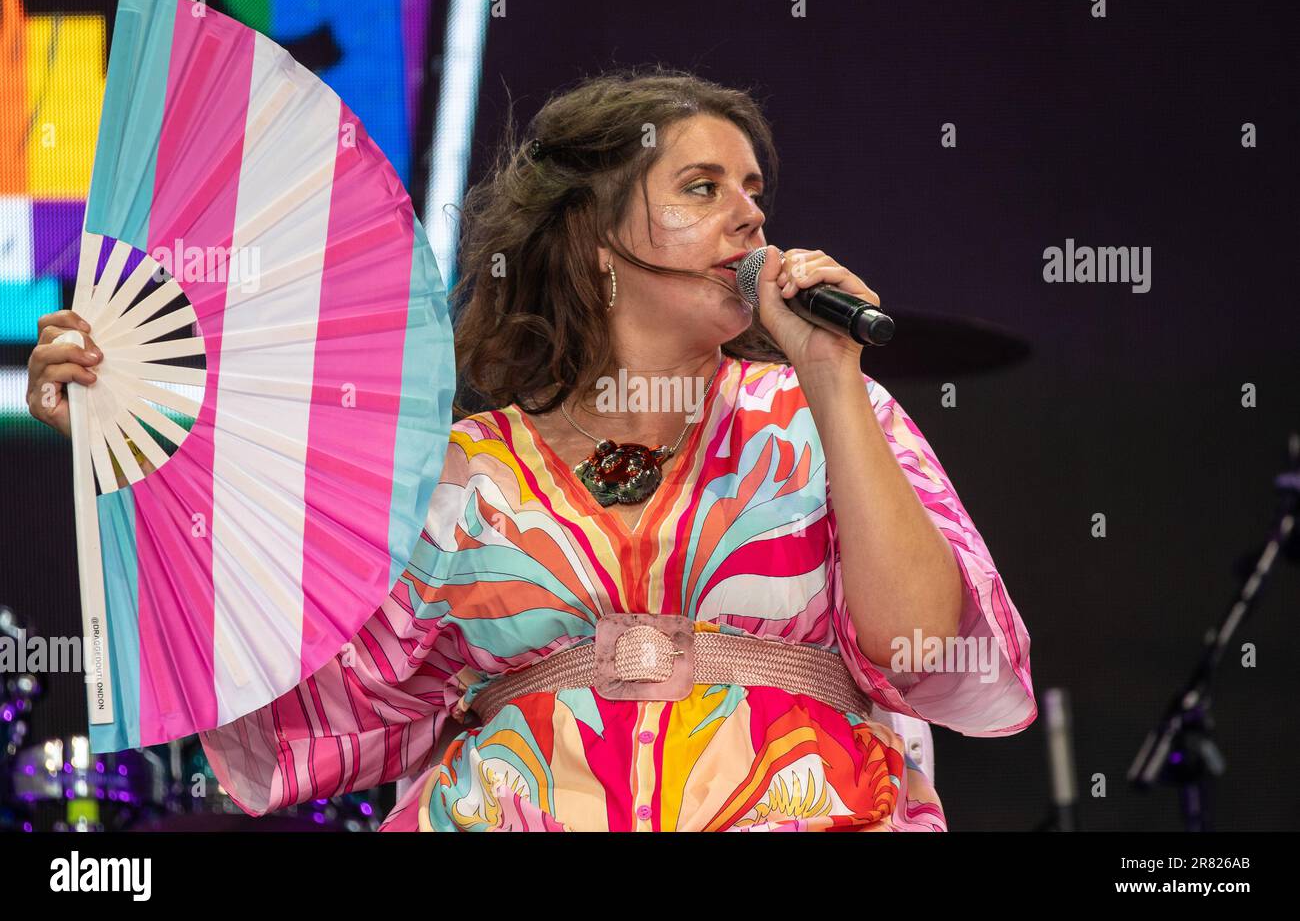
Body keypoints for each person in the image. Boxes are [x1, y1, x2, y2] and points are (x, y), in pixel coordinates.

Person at [27, 67, 1035, 831]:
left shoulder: (821, 416)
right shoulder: (466, 470)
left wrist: (830, 374)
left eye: (754, 188)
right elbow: (297, 690)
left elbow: (922, 646)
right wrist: (132, 443)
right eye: (702, 187)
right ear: (598, 235)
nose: (751, 215)